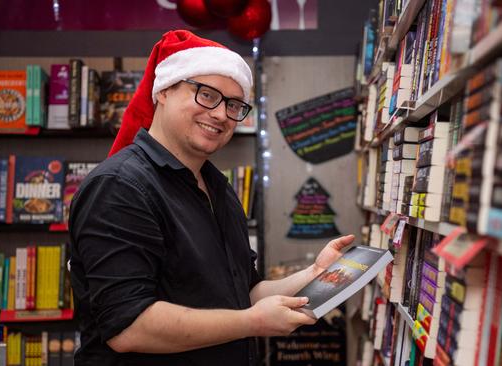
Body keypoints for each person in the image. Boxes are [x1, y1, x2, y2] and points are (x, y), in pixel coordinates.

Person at [68, 30, 355, 366]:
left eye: (234, 105)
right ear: (163, 91)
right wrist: (253, 322)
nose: (221, 114)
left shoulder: (216, 186)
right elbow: (129, 327)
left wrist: (313, 274)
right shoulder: (119, 187)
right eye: (206, 95)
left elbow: (242, 294)